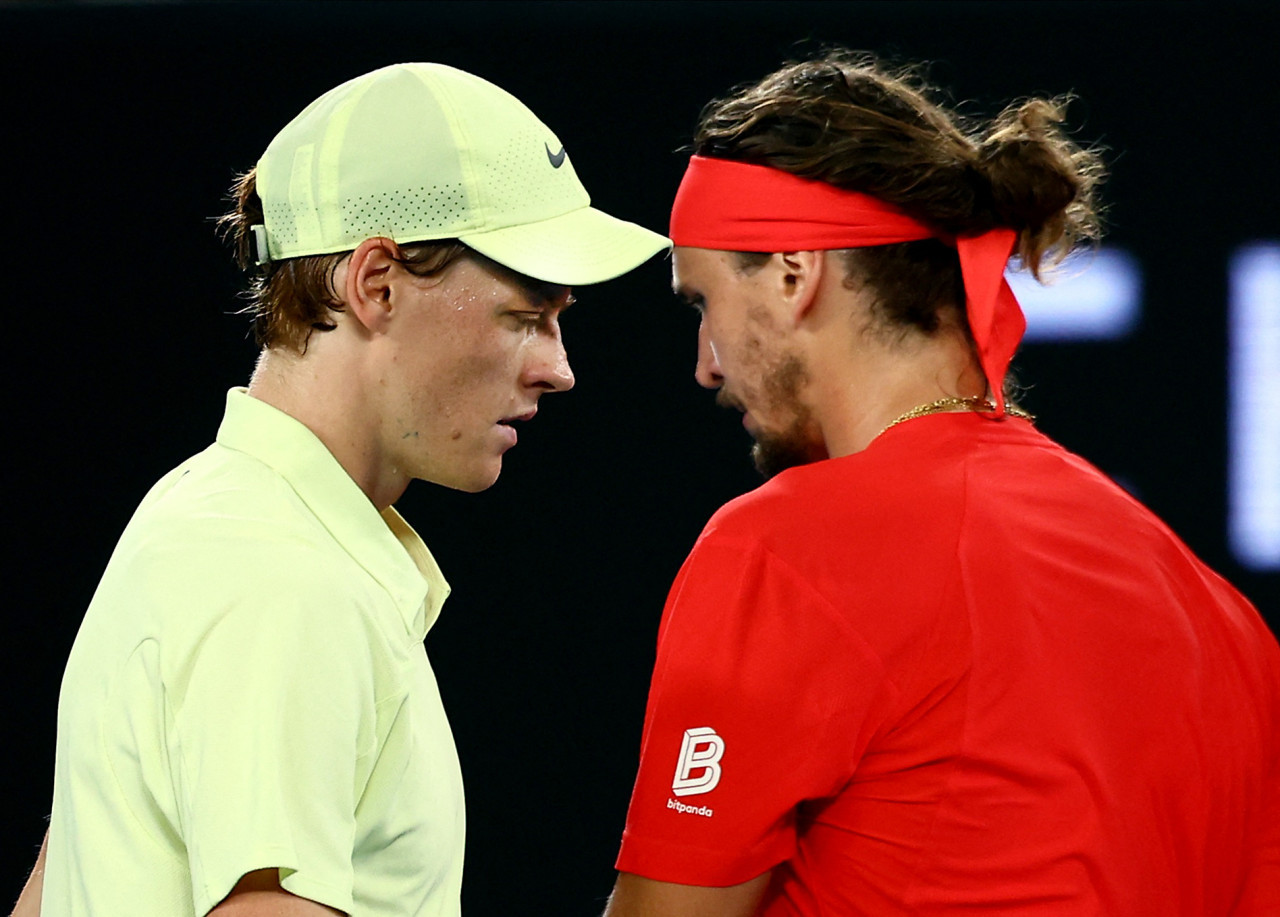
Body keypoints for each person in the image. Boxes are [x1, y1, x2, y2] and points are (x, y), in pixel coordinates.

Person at [603, 51, 1280, 916]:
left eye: (702, 305)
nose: (706, 365)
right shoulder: (1216, 614)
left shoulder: (783, 549)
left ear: (792, 272)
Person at [11, 62, 668, 917]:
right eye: (526, 315)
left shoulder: (200, 515)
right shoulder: (283, 578)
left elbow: (66, 880)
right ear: (376, 283)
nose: (558, 368)